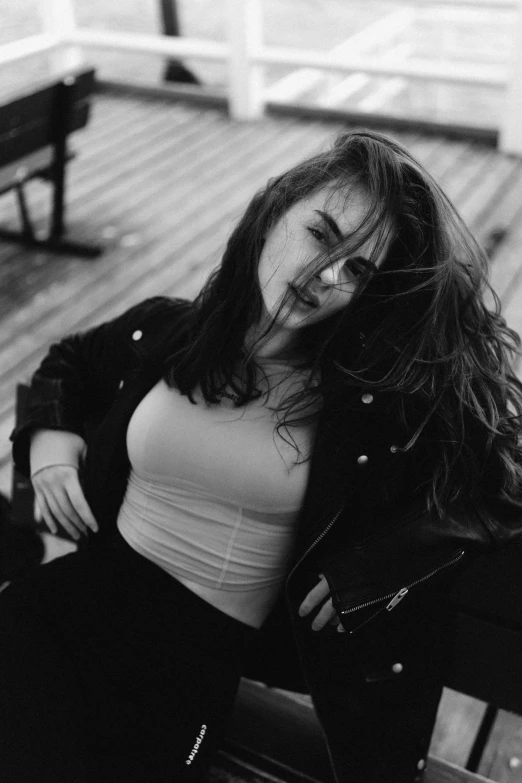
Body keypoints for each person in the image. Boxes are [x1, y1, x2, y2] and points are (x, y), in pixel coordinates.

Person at [3, 129, 522, 783]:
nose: (328, 275)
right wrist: (48, 450)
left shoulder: (368, 404)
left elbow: (501, 482)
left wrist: (386, 567)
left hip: (191, 664)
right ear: (277, 208)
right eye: (322, 234)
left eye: (358, 270)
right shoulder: (168, 330)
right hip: (60, 611)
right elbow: (68, 362)